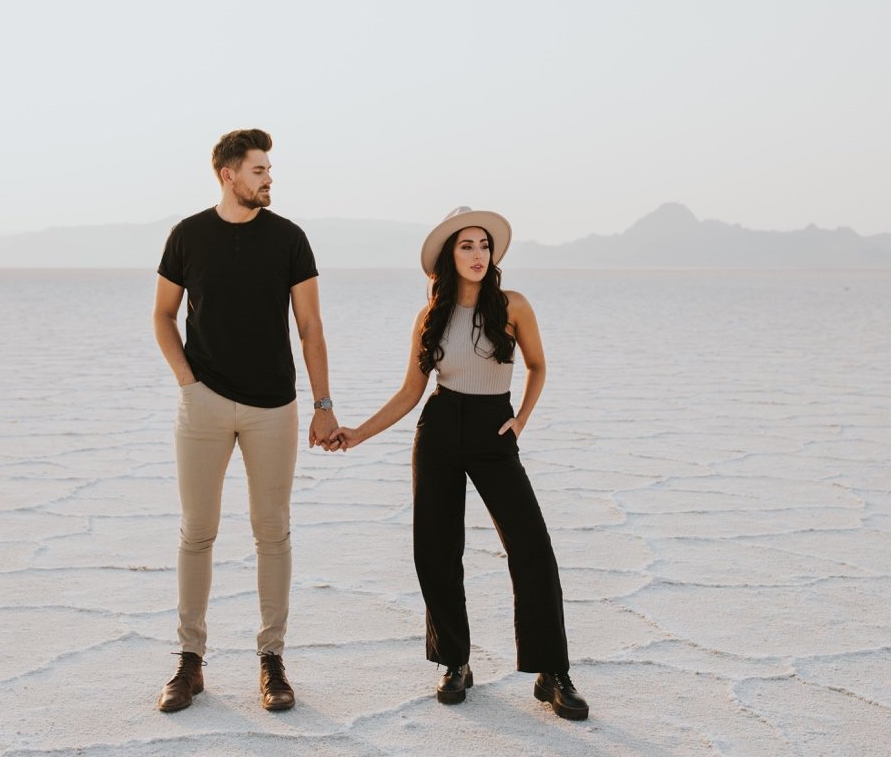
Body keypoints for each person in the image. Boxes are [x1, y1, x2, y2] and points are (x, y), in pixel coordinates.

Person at [326, 206, 589, 720]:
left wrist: (522, 420)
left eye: (484, 246)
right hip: (441, 426)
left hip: (494, 429)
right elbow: (410, 391)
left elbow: (537, 366)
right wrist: (358, 433)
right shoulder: (431, 316)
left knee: (532, 547)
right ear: (450, 255)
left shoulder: (514, 306)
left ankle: (551, 670)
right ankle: (454, 661)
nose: (477, 254)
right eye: (466, 245)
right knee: (436, 549)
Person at [152, 128, 340, 713]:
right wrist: (189, 382)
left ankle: (271, 659)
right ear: (228, 174)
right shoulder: (188, 235)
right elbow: (162, 316)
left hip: (273, 408)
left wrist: (323, 404)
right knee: (197, 531)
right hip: (203, 404)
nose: (268, 178)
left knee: (272, 531)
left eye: (269, 169)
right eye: (258, 169)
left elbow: (310, 328)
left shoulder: (289, 239)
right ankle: (190, 661)